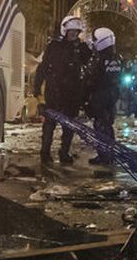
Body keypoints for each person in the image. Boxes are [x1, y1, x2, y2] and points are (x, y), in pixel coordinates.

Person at [34, 15, 92, 164]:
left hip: (72, 94)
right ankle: (45, 153)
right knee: (49, 124)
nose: (74, 34)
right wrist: (37, 89)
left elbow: (90, 66)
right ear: (65, 31)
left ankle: (64, 152)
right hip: (54, 92)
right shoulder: (54, 46)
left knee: (69, 126)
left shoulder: (81, 48)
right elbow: (43, 67)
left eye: (76, 32)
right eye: (71, 31)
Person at [85, 27, 121, 165]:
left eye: (95, 40)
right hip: (111, 97)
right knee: (107, 126)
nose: (93, 43)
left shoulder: (101, 59)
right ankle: (108, 155)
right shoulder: (116, 59)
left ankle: (104, 156)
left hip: (101, 98)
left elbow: (93, 80)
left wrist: (87, 96)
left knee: (101, 127)